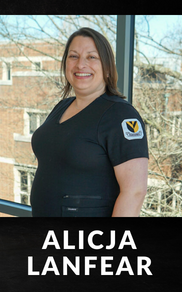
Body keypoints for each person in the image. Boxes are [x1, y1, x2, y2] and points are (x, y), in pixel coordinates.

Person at [31, 27, 149, 217]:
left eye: (92, 57)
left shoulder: (121, 115)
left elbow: (135, 192)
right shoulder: (62, 106)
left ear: (108, 68)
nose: (81, 64)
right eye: (73, 56)